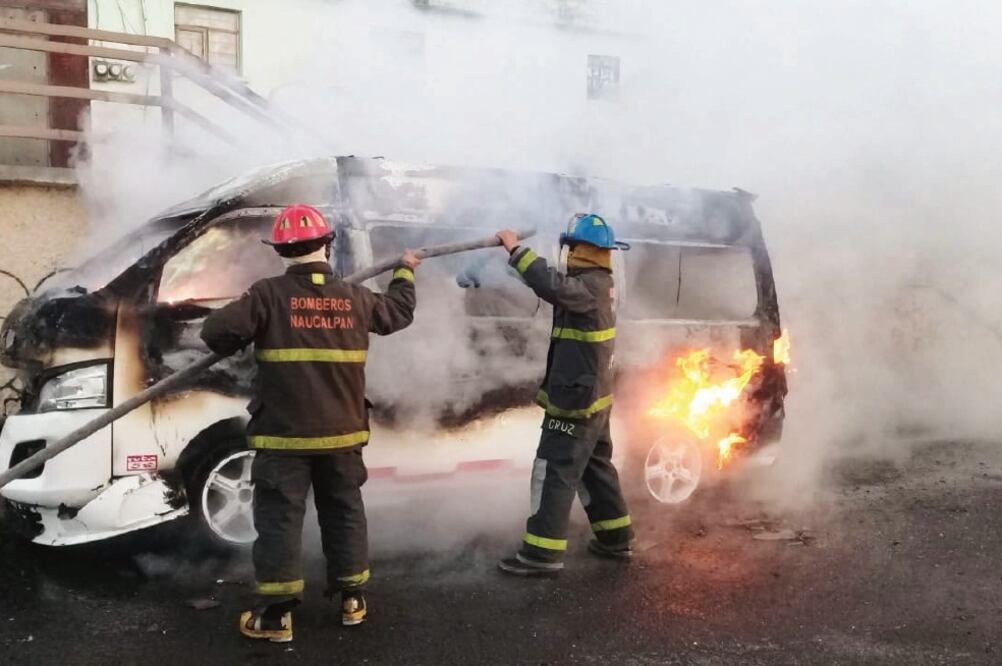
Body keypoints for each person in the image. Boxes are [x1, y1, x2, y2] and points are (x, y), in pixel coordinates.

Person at [201, 204, 420, 642]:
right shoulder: (357, 298)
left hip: (284, 436)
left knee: (280, 518)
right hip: (343, 433)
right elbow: (398, 313)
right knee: (344, 513)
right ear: (327, 245)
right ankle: (352, 600)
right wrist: (405, 272)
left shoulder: (266, 295)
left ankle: (276, 617)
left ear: (282, 250)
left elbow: (215, 333)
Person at [495, 214, 634, 577]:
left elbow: (551, 285)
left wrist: (516, 250)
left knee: (553, 470)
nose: (567, 252)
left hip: (576, 401)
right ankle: (615, 537)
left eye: (571, 246)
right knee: (595, 469)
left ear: (582, 249)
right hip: (595, 398)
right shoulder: (602, 282)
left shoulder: (587, 286)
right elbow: (552, 285)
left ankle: (541, 554)